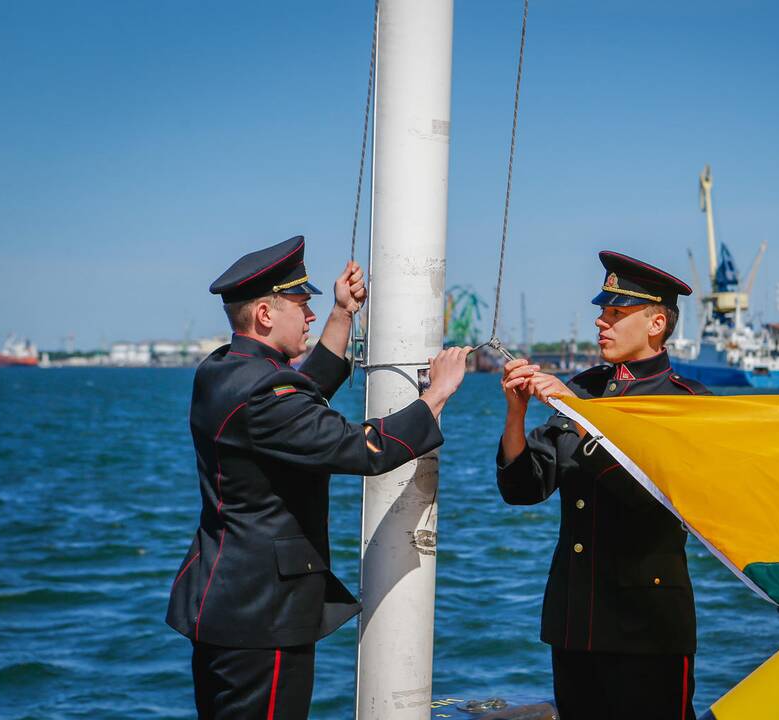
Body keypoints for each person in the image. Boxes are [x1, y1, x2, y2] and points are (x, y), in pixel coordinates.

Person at [166, 235, 468, 719]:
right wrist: (436, 396)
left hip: (228, 603)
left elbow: (301, 398)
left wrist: (343, 314)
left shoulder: (222, 370)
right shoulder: (266, 393)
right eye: (302, 304)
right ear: (266, 314)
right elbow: (361, 448)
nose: (309, 314)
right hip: (263, 616)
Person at [496, 250, 709, 720]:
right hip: (575, 623)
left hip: (647, 629)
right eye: (602, 312)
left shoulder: (687, 404)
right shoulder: (587, 389)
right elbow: (523, 489)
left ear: (656, 324)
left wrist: (582, 414)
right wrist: (516, 413)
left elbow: (652, 495)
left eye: (616, 314)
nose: (600, 323)